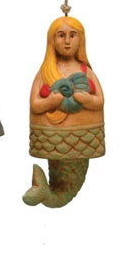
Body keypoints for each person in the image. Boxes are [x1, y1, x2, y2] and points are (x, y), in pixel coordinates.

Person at [24, 15, 105, 207]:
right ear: (52, 40)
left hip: (82, 139)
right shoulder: (45, 72)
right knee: (60, 168)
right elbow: (35, 104)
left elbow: (99, 101)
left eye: (72, 35)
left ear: (81, 40)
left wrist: (88, 99)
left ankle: (51, 195)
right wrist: (51, 101)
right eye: (61, 35)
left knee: (72, 174)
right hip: (53, 139)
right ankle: (50, 194)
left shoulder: (86, 71)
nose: (67, 41)